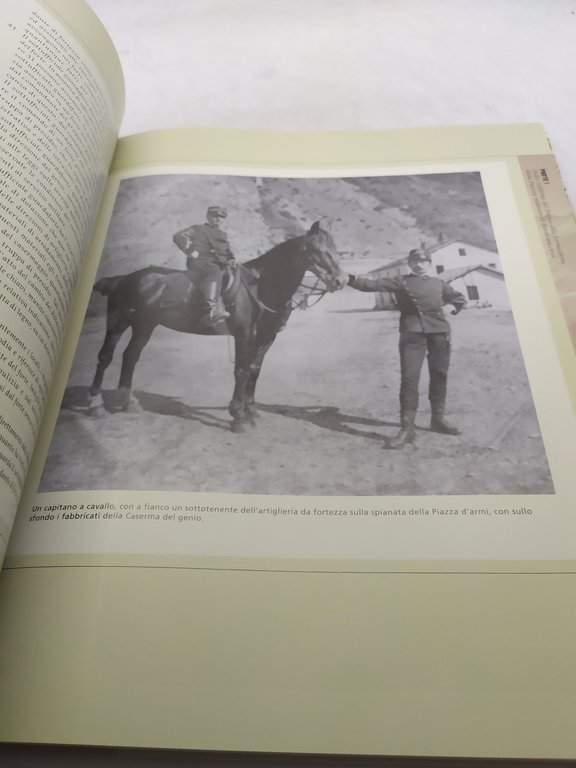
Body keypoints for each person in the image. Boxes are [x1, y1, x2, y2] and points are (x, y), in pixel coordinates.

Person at [348, 248, 466, 449]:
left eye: (423, 261)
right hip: (412, 335)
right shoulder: (401, 281)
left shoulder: (439, 283)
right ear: (409, 264)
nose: (419, 264)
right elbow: (369, 285)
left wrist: (452, 307)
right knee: (410, 378)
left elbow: (459, 298)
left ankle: (438, 420)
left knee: (439, 375)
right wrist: (348, 278)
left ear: (429, 263)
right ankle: (407, 428)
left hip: (439, 333)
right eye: (415, 261)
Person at [173, 206, 235, 324]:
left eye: (222, 217)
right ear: (208, 217)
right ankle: (211, 308)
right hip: (200, 262)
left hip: (218, 262)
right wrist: (190, 251)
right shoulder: (198, 229)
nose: (218, 219)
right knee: (214, 271)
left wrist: (231, 259)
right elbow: (179, 236)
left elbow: (226, 250)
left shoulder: (223, 234)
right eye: (215, 216)